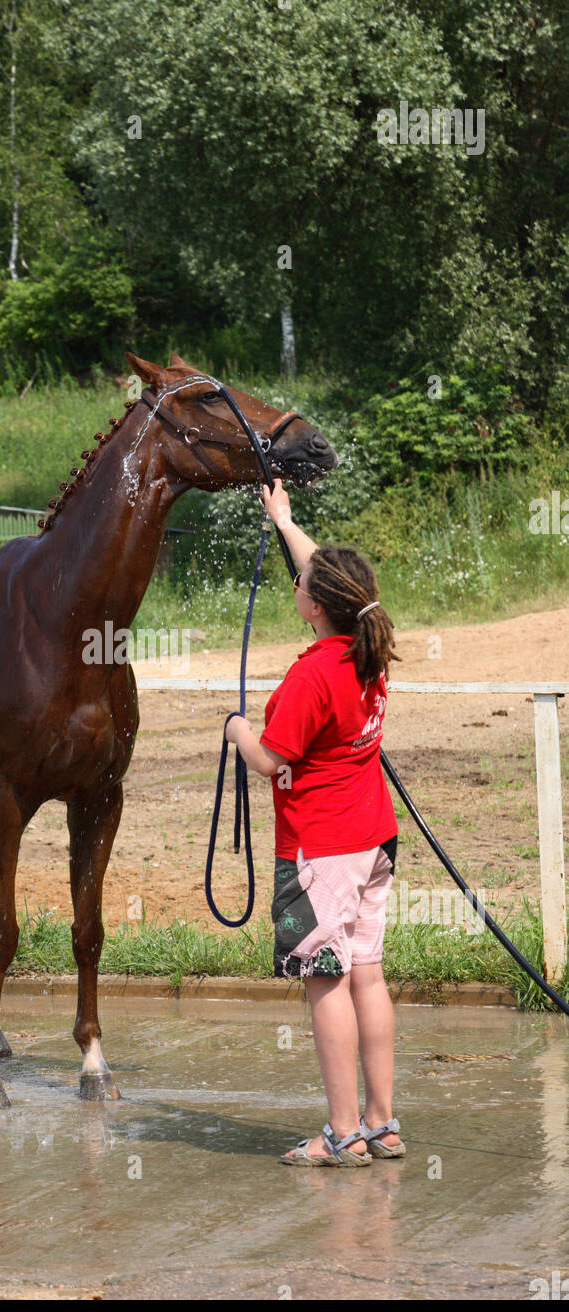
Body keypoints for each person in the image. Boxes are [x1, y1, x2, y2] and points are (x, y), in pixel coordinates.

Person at [225, 479, 404, 1167]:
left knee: (323, 979)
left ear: (315, 605)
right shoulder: (369, 647)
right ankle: (381, 1123)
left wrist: (239, 728)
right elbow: (330, 574)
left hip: (318, 853)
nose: (293, 583)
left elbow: (271, 761)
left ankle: (339, 1134)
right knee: (367, 974)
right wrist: (285, 521)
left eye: (299, 581)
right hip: (372, 842)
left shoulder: (310, 677)